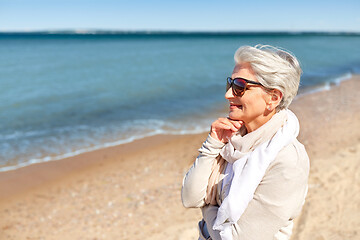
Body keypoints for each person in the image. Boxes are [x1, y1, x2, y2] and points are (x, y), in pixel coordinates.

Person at [181, 45, 309, 240]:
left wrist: (208, 208)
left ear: (273, 98)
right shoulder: (231, 138)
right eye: (230, 84)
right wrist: (211, 145)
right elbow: (190, 197)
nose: (228, 94)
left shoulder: (288, 160)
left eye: (240, 86)